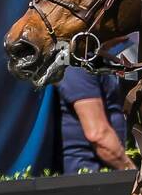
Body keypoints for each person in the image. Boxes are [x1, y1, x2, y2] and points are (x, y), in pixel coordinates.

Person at [57, 39, 135, 173]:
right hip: (89, 176)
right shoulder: (76, 65)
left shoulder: (115, 53)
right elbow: (98, 135)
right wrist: (133, 173)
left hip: (116, 171)